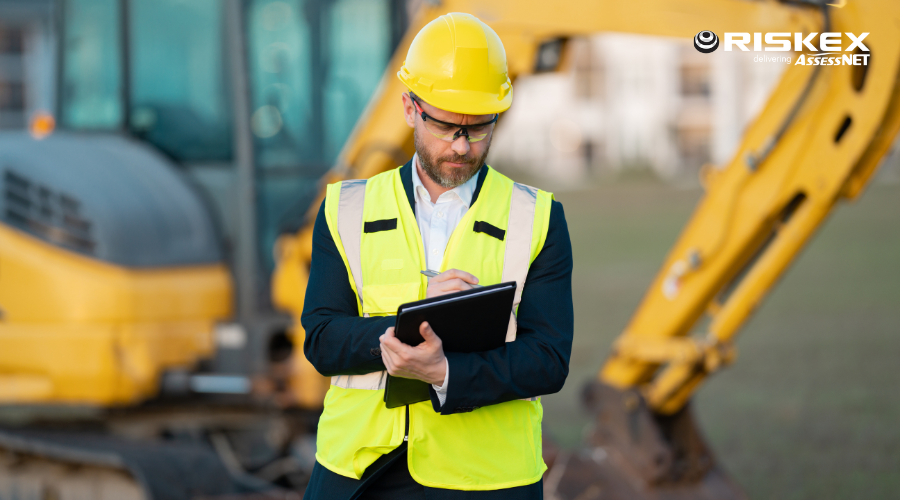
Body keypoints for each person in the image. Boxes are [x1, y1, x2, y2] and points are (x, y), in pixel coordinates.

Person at [301, 12, 573, 500]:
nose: (462, 147)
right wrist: (412, 318)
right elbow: (322, 340)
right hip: (356, 471)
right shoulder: (344, 208)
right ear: (409, 108)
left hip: (488, 479)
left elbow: (548, 360)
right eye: (446, 127)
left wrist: (446, 374)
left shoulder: (539, 218)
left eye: (479, 128)